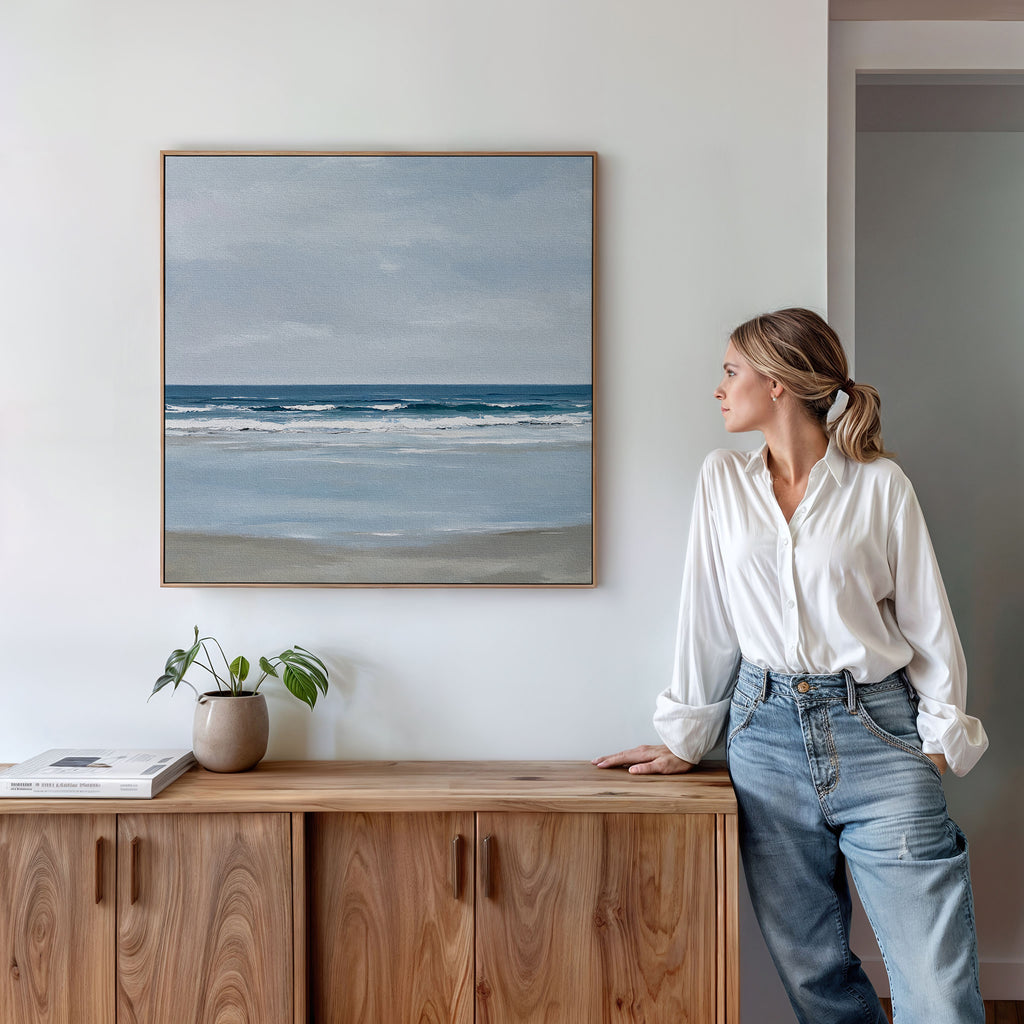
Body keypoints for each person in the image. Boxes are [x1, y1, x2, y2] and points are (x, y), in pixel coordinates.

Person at [594, 308, 988, 1024]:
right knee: (815, 978)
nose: (719, 389)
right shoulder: (722, 480)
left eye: (731, 372)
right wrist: (687, 736)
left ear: (776, 383)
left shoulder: (880, 485)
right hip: (764, 737)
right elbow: (707, 617)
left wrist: (936, 743)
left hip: (878, 731)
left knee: (937, 988)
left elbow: (929, 621)